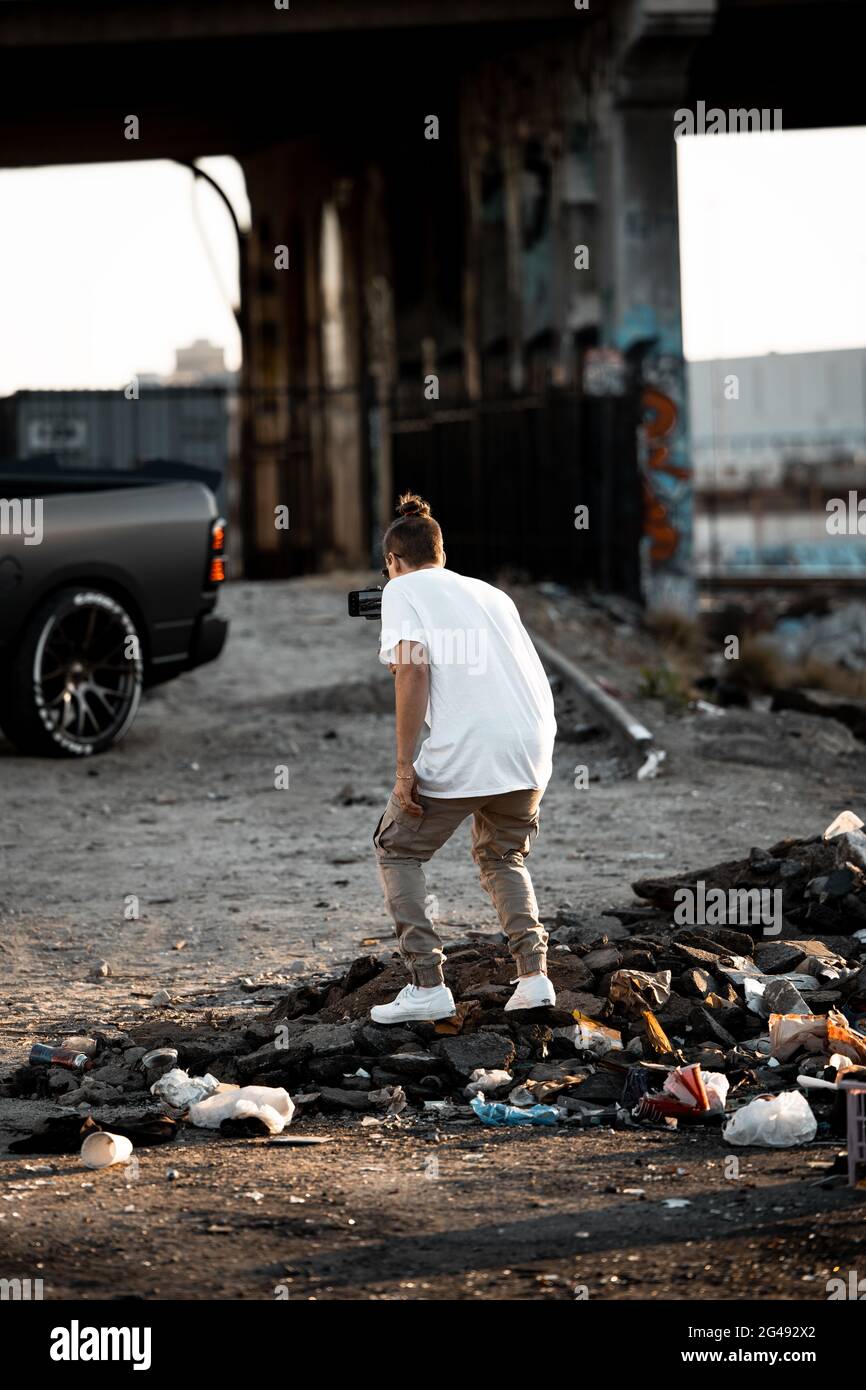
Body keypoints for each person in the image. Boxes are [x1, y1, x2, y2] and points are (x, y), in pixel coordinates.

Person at [370, 492, 558, 1024]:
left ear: (393, 563)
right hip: (531, 746)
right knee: (503, 856)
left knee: (397, 848)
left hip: (472, 744)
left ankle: (427, 985)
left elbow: (412, 672)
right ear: (442, 553)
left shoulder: (401, 590)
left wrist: (405, 769)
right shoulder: (492, 594)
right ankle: (534, 977)